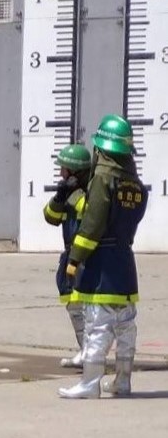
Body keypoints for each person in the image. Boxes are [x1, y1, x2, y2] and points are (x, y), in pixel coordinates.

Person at [59, 115, 148, 399]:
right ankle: (122, 381)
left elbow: (93, 223)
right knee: (125, 326)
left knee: (97, 326)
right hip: (125, 263)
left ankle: (89, 384)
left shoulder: (102, 179)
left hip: (102, 266)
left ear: (102, 149)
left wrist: (75, 258)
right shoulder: (135, 183)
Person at [43, 143, 92, 368]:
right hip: (69, 256)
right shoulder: (68, 194)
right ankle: (85, 351)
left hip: (83, 258)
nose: (61, 173)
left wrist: (75, 196)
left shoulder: (89, 194)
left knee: (85, 308)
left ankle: (91, 354)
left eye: (64, 169)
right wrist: (59, 196)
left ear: (75, 173)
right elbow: (50, 217)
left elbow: (91, 216)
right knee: (72, 305)